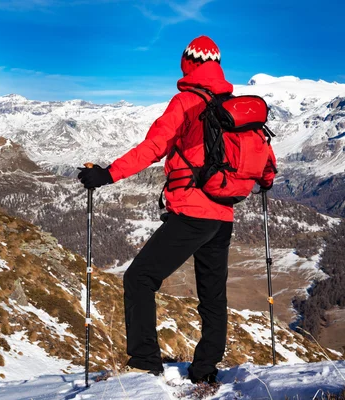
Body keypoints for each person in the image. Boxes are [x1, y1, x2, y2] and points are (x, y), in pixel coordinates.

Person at [78, 35, 276, 384]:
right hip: (224, 214)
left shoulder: (186, 102)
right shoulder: (234, 105)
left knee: (139, 278)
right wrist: (266, 180)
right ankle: (204, 372)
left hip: (191, 211)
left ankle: (144, 363)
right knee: (212, 296)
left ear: (188, 63)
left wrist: (107, 174)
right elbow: (264, 158)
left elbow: (153, 147)